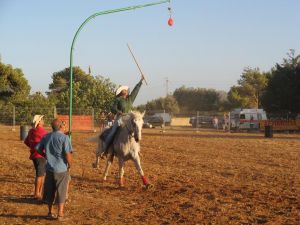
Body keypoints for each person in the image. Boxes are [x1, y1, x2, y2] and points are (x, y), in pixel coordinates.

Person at [35, 119, 72, 221]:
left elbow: (37, 148)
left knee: (49, 191)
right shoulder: (64, 138)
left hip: (50, 168)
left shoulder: (46, 136)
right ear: (61, 127)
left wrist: (45, 156)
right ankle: (60, 214)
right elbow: (67, 154)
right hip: (61, 169)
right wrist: (70, 164)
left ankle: (50, 212)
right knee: (62, 191)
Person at [101, 78, 144, 156]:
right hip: (119, 119)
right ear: (121, 92)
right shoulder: (117, 100)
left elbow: (135, 91)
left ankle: (137, 150)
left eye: (126, 90)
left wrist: (140, 82)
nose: (126, 91)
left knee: (136, 130)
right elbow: (113, 108)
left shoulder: (130, 99)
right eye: (124, 90)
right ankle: (105, 149)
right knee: (112, 133)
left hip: (128, 119)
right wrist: (119, 112)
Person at [24, 115, 47, 200]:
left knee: (40, 174)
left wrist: (32, 147)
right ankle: (37, 193)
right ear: (39, 122)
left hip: (34, 155)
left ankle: (38, 192)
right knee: (40, 175)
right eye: (42, 119)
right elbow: (49, 139)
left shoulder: (31, 131)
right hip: (41, 155)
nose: (43, 120)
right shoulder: (41, 131)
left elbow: (26, 142)